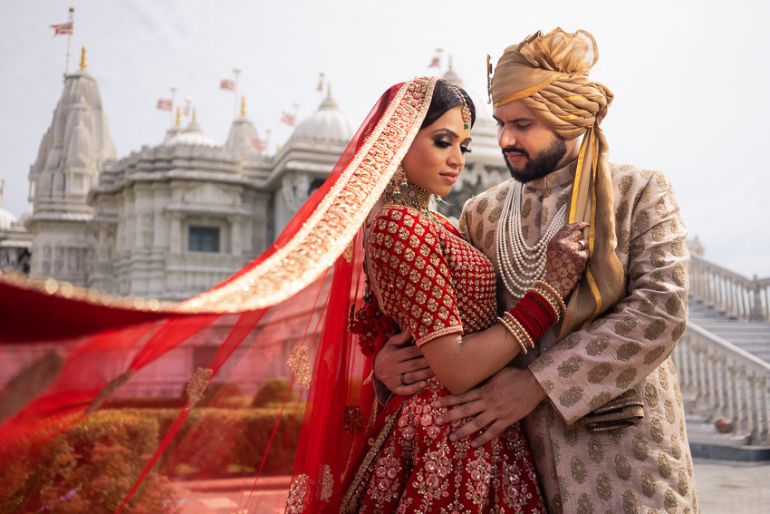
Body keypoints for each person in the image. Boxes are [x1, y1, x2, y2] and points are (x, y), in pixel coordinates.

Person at [376, 29, 698, 514]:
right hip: (520, 463)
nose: (504, 139)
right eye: (502, 122)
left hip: (628, 458)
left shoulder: (638, 192)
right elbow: (446, 316)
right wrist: (385, 366)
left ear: (567, 119)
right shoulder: (481, 214)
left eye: (522, 124)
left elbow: (661, 311)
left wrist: (538, 384)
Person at [327, 78, 591, 514]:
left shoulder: (443, 225)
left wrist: (383, 364)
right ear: (395, 142)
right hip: (448, 434)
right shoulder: (400, 225)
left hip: (472, 423)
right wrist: (551, 290)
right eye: (443, 141)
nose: (456, 161)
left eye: (464, 147)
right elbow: (457, 369)